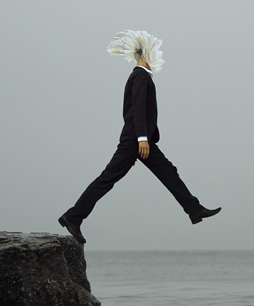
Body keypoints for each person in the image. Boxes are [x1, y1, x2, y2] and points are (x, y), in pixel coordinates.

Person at [59, 30, 221, 245]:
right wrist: (140, 140)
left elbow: (131, 111)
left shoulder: (140, 75)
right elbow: (137, 109)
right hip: (137, 139)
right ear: (145, 55)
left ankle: (194, 210)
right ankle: (73, 217)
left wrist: (140, 142)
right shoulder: (141, 75)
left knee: (168, 172)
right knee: (107, 179)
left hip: (139, 140)